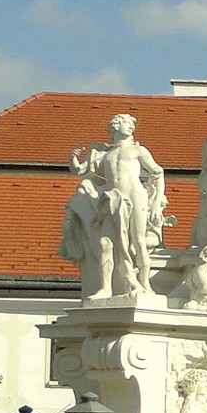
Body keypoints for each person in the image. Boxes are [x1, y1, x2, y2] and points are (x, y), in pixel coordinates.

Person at [60, 114, 169, 300]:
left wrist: (157, 203)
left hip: (135, 196)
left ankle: (145, 285)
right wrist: (73, 158)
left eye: (133, 125)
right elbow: (79, 170)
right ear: (115, 126)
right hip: (112, 198)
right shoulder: (104, 155)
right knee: (105, 243)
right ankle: (105, 289)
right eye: (127, 123)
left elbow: (158, 172)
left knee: (138, 242)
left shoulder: (138, 151)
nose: (131, 127)